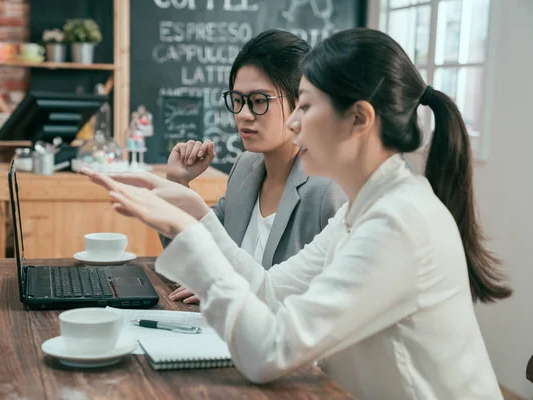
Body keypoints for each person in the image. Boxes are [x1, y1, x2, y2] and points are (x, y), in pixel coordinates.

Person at [83, 28, 511, 399]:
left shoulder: (396, 222)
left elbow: (270, 352)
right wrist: (193, 212)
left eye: (305, 106)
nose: (293, 124)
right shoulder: (367, 208)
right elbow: (267, 291)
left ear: (358, 119)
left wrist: (190, 231)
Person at [132, 29, 346, 304]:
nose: (243, 114)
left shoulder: (327, 190)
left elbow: (328, 301)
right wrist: (177, 182)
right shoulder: (246, 168)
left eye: (258, 102)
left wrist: (225, 288)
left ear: (300, 102)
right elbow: (194, 256)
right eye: (237, 100)